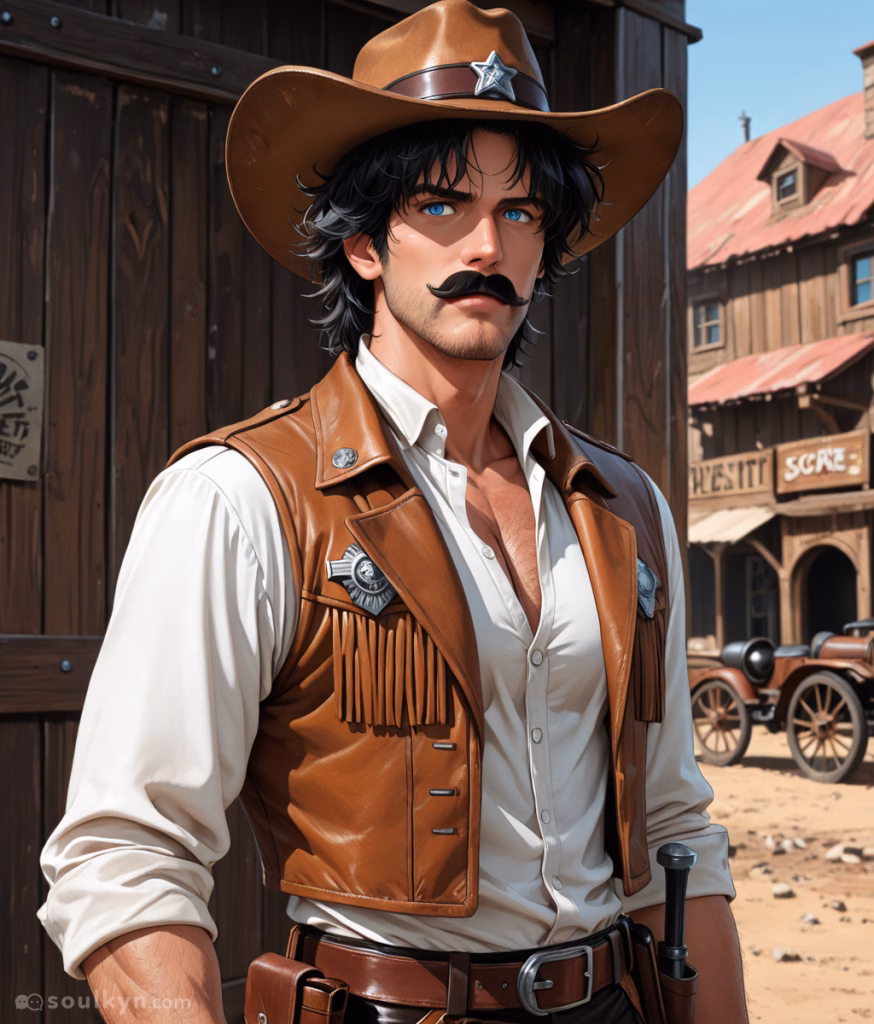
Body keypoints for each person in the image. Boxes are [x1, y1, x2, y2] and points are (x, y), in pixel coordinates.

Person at [38, 2, 747, 1021]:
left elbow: (677, 827)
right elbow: (126, 850)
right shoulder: (242, 497)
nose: (487, 243)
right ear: (365, 244)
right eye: (442, 204)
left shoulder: (623, 506)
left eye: (521, 212)